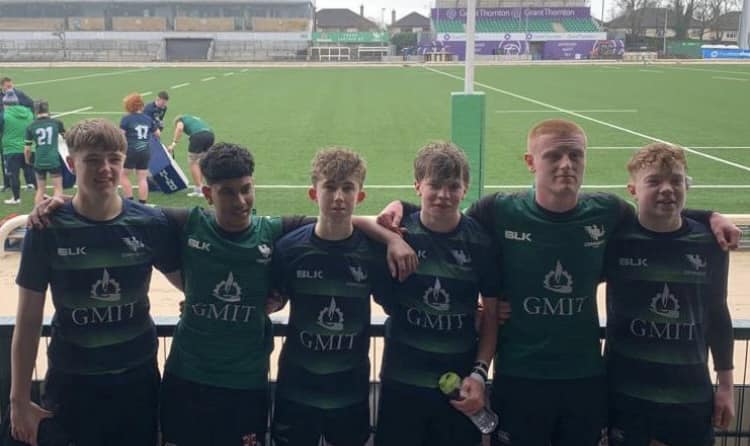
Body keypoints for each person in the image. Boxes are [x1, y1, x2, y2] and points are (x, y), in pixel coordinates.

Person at [377, 119, 740, 446]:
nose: (566, 164)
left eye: (575, 155)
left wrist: (710, 216)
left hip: (584, 379)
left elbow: (660, 214)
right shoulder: (497, 210)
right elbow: (444, 216)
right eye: (554, 156)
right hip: (519, 376)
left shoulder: (609, 212)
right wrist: (400, 209)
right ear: (530, 162)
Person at [10, 118, 181, 446]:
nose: (105, 168)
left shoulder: (149, 223)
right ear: (72, 164)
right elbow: (28, 321)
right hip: (72, 382)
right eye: (92, 160)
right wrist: (18, 400)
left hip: (137, 380)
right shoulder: (46, 229)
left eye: (114, 159)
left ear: (124, 161)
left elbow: (191, 282)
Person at [160, 142, 311, 446]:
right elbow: (126, 212)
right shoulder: (188, 224)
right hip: (187, 376)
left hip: (246, 383)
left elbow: (336, 225)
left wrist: (390, 229)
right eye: (227, 192)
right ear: (208, 194)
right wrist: (59, 205)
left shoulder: (271, 230)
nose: (240, 201)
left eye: (246, 189)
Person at [604, 143, 734, 446]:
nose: (667, 189)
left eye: (676, 180)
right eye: (654, 181)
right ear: (632, 190)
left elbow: (718, 312)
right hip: (626, 398)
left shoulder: (710, 242)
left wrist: (725, 386)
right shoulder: (616, 239)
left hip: (690, 398)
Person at [374, 142, 501, 446]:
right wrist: (389, 237)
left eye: (453, 186)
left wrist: (480, 375)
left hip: (457, 391)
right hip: (401, 384)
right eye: (434, 185)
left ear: (465, 188)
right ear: (417, 185)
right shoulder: (398, 233)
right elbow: (348, 224)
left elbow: (492, 316)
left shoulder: (481, 243)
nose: (443, 195)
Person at [270, 148, 391, 446]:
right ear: (314, 193)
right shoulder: (289, 250)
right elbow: (271, 299)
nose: (339, 196)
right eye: (330, 187)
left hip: (350, 391)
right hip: (296, 389)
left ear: (360, 196)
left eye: (347, 188)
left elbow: (396, 303)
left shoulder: (373, 253)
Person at [24, 100, 65, 204]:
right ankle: (56, 212)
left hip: (39, 161)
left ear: (35, 110)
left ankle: (37, 214)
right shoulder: (56, 123)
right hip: (53, 159)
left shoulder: (31, 126)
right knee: (58, 189)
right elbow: (67, 138)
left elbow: (27, 149)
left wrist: (27, 160)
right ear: (47, 109)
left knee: (41, 190)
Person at [120, 93, 157, 204]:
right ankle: (142, 203)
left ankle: (130, 201)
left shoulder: (126, 119)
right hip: (145, 150)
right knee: (142, 178)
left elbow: (121, 136)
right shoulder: (147, 119)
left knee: (123, 175)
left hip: (131, 150)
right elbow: (157, 133)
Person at [169, 114, 214, 197]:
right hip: (210, 135)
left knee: (193, 162)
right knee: (201, 162)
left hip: (198, 137)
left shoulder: (181, 120)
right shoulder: (194, 119)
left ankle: (199, 189)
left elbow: (179, 128)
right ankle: (202, 187)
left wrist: (174, 143)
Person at [1, 96, 34, 204]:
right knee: (31, 171)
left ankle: (16, 198)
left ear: (6, 104)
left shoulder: (4, 115)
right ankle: (36, 191)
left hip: (11, 150)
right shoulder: (29, 113)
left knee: (13, 175)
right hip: (28, 147)